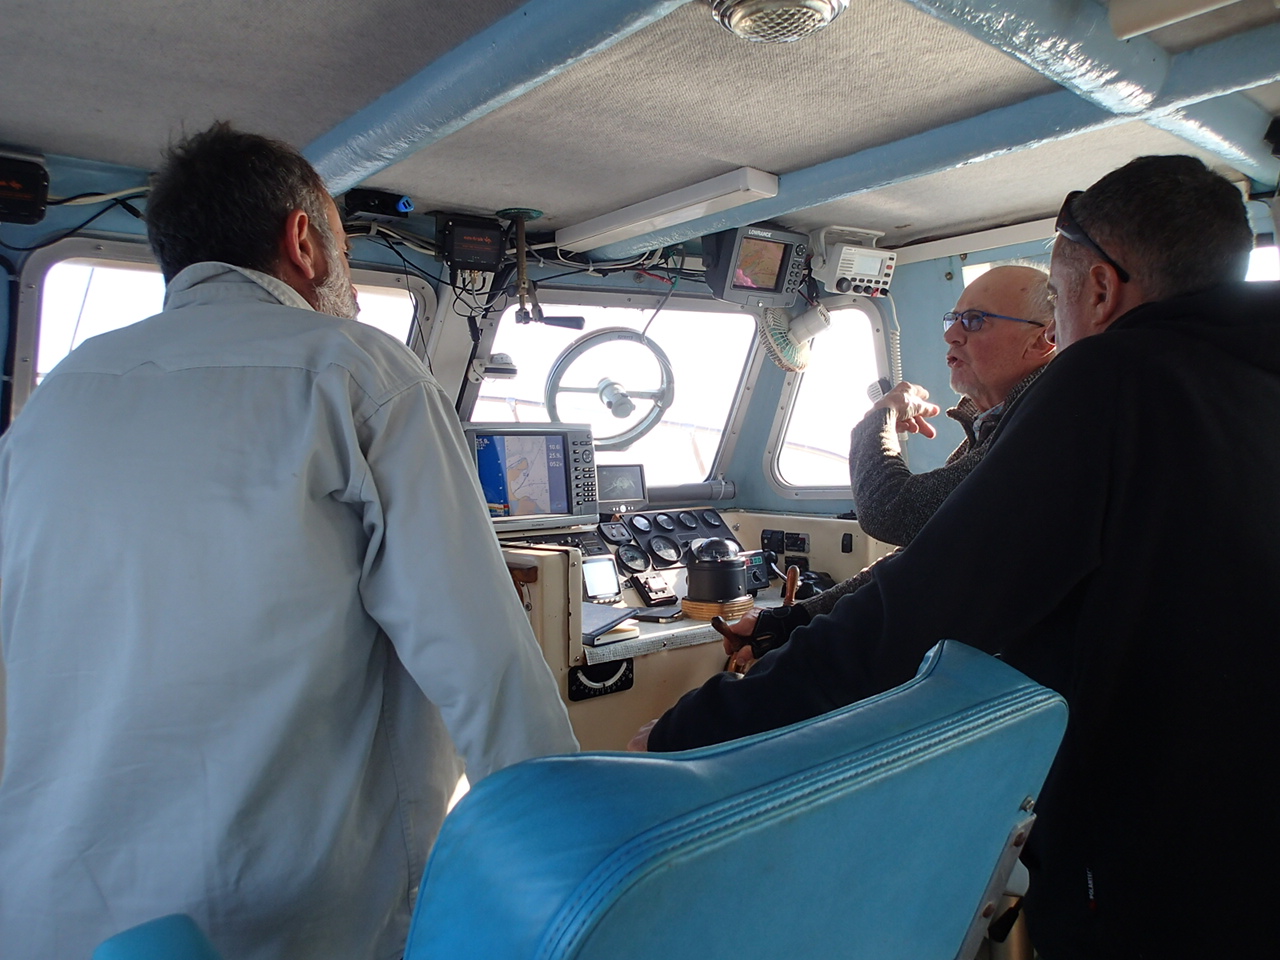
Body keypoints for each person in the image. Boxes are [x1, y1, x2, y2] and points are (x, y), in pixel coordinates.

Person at [635, 155, 1280, 958]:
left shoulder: (1111, 380)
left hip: (1159, 867)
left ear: (1101, 290)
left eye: (1059, 292)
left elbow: (920, 599)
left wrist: (690, 733)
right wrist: (790, 623)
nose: (954, 338)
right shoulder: (1246, 384)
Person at [0, 123, 578, 960]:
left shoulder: (59, 396)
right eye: (344, 246)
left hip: (52, 909)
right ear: (303, 242)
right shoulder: (358, 374)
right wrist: (568, 859)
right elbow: (485, 665)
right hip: (280, 916)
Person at [726, 265, 1054, 668]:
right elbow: (918, 554)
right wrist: (794, 619)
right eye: (953, 319)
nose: (951, 334)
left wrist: (880, 418)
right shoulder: (994, 427)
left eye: (975, 320)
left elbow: (891, 509)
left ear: (1044, 339)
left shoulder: (1042, 430)